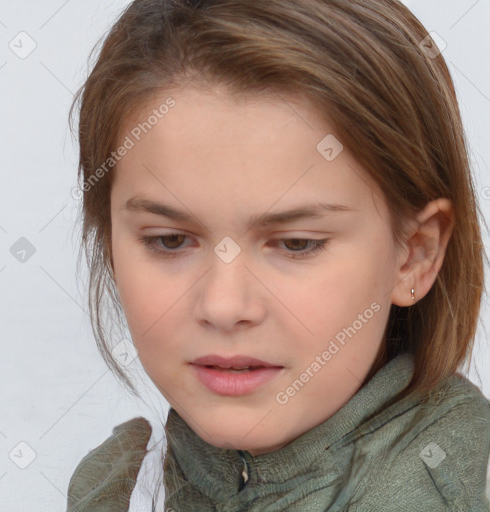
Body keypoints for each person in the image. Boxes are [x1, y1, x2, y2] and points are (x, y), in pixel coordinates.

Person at [65, 0, 490, 510]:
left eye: (296, 244)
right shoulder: (119, 489)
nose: (223, 305)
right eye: (169, 240)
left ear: (414, 255)